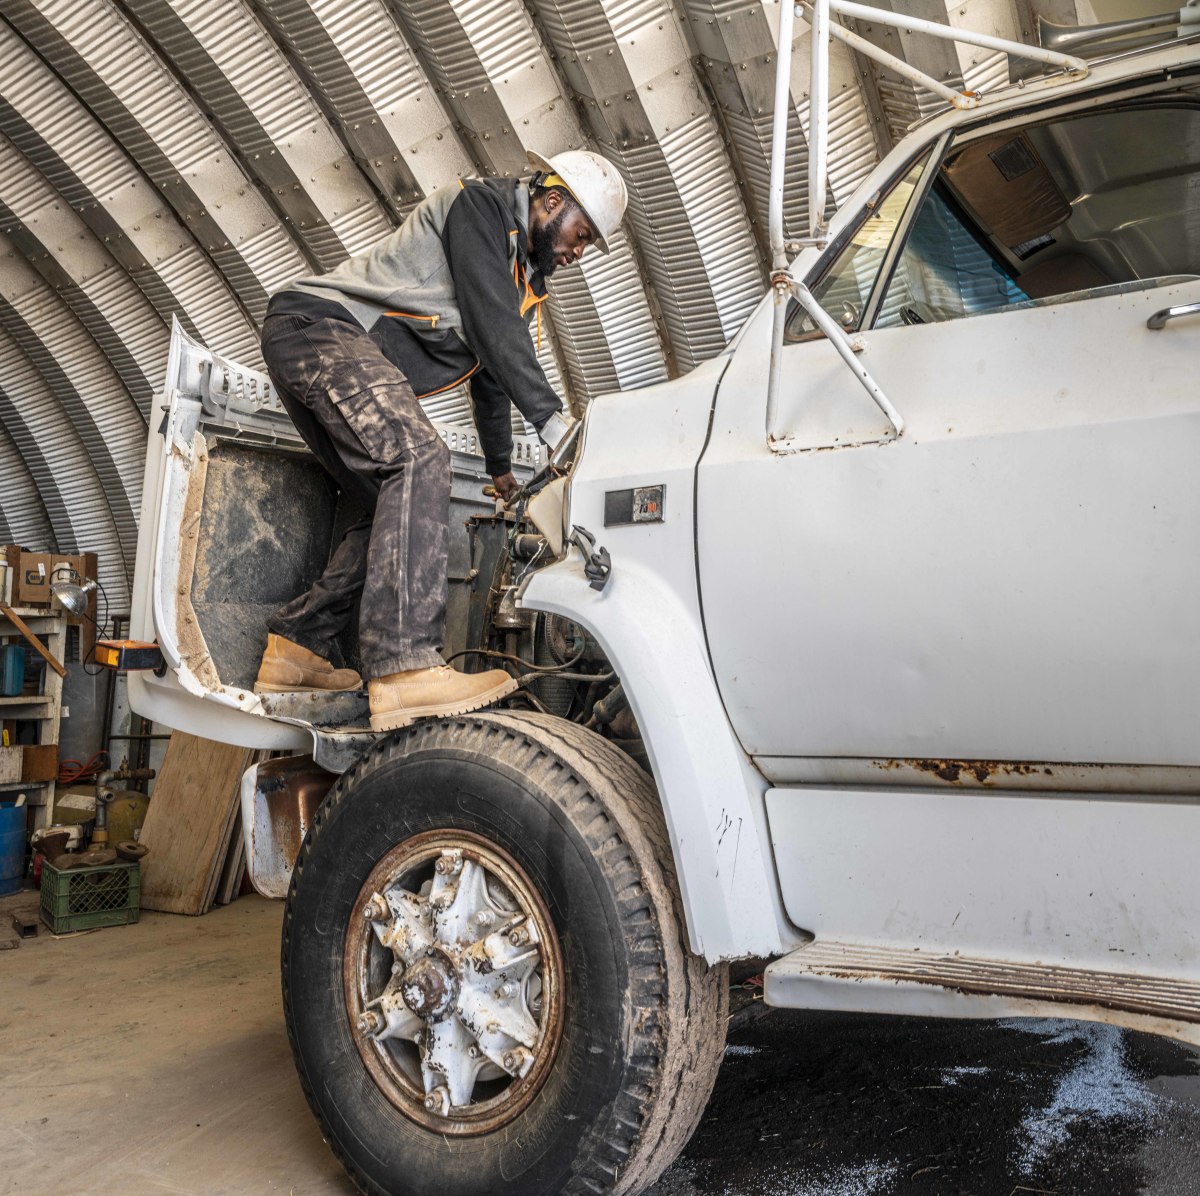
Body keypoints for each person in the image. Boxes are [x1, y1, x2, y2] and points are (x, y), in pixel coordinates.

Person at [252, 149, 628, 732]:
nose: (578, 253)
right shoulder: (479, 209)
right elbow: (494, 329)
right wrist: (555, 426)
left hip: (315, 342)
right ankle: (405, 667)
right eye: (581, 236)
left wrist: (501, 468)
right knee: (421, 457)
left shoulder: (520, 280)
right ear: (552, 202)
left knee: (393, 506)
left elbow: (491, 369)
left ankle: (296, 648)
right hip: (320, 328)